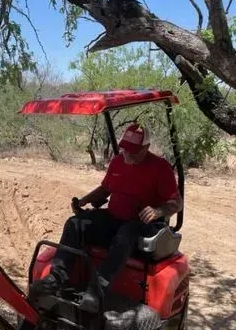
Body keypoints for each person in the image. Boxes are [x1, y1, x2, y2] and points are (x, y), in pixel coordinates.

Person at [29, 123, 183, 311]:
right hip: (113, 217)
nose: (128, 155)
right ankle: (56, 279)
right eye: (125, 149)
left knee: (127, 232)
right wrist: (84, 201)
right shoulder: (118, 162)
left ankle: (96, 290)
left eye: (134, 151)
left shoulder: (160, 168)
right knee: (75, 223)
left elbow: (176, 203)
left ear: (146, 148)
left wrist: (158, 211)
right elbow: (106, 189)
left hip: (140, 224)